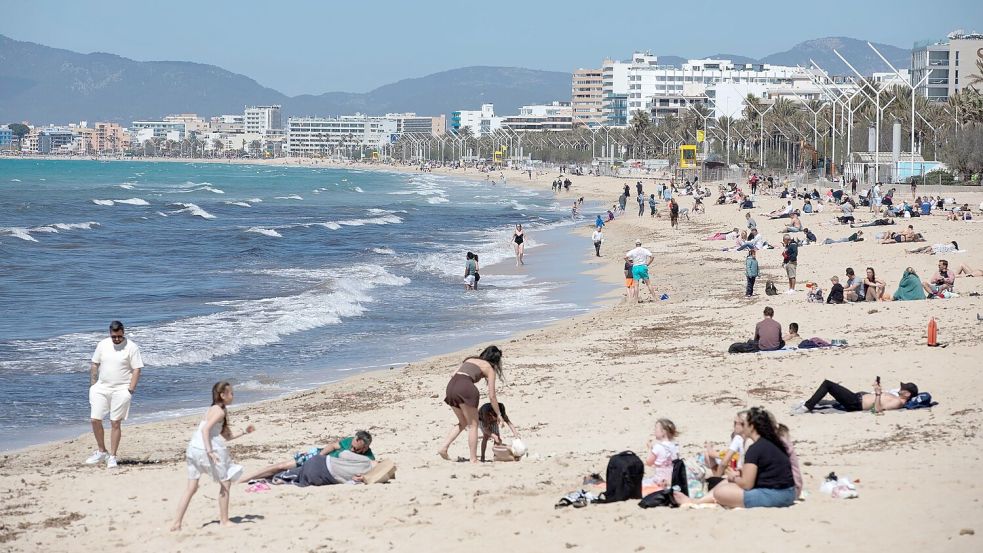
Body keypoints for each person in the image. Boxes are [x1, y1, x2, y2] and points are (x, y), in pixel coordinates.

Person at [171, 381, 255, 531]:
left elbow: (226, 436)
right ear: (222, 395)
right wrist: (210, 452)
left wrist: (244, 431)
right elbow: (205, 430)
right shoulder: (220, 412)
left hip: (193, 449)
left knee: (191, 487)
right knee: (226, 482)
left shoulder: (213, 409)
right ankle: (224, 521)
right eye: (231, 393)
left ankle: (176, 523)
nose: (233, 395)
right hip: (206, 450)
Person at [675, 407, 796, 508]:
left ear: (752, 426)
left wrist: (734, 477)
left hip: (775, 496)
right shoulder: (772, 442)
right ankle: (697, 502)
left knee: (720, 492)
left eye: (745, 424)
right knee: (726, 482)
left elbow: (747, 484)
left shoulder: (755, 448)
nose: (743, 427)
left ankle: (697, 502)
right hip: (789, 493)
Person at [86, 320, 145, 469]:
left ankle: (112, 456)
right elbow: (95, 363)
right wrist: (93, 385)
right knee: (95, 419)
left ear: (123, 332)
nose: (117, 339)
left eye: (119, 336)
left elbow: (137, 369)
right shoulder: (103, 345)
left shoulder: (131, 347)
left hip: (121, 389)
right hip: (101, 388)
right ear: (110, 334)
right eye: (114, 337)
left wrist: (130, 390)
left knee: (115, 422)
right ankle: (102, 451)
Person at [439, 346, 505, 464]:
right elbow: (492, 396)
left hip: (451, 387)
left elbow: (453, 374)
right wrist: (499, 414)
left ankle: (443, 447)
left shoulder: (469, 359)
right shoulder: (489, 368)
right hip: (466, 388)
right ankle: (473, 459)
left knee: (463, 422)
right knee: (473, 425)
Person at [238, 431, 374, 484]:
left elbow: (373, 470)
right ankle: (244, 479)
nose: (352, 448)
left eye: (356, 449)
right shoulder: (350, 441)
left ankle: (264, 479)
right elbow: (332, 446)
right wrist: (317, 457)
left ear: (365, 448)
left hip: (324, 469)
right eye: (352, 445)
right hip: (318, 457)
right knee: (281, 466)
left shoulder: (368, 457)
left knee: (284, 473)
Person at [792, 379, 918, 414]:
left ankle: (807, 407)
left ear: (907, 394)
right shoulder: (896, 396)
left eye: (903, 388)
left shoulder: (898, 403)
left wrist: (878, 393)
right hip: (857, 398)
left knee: (828, 384)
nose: (900, 388)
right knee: (831, 395)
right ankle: (809, 403)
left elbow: (877, 409)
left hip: (856, 403)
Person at [703, 411, 746, 477]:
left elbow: (724, 461)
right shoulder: (749, 438)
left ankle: (716, 476)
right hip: (742, 468)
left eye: (735, 423)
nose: (734, 426)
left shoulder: (738, 438)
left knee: (707, 455)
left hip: (736, 470)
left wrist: (709, 446)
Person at [644, 418, 680, 489]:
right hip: (672, 480)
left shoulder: (657, 447)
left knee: (643, 483)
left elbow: (649, 462)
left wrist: (650, 449)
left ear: (663, 432)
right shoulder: (675, 446)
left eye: (656, 429)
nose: (654, 431)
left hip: (659, 481)